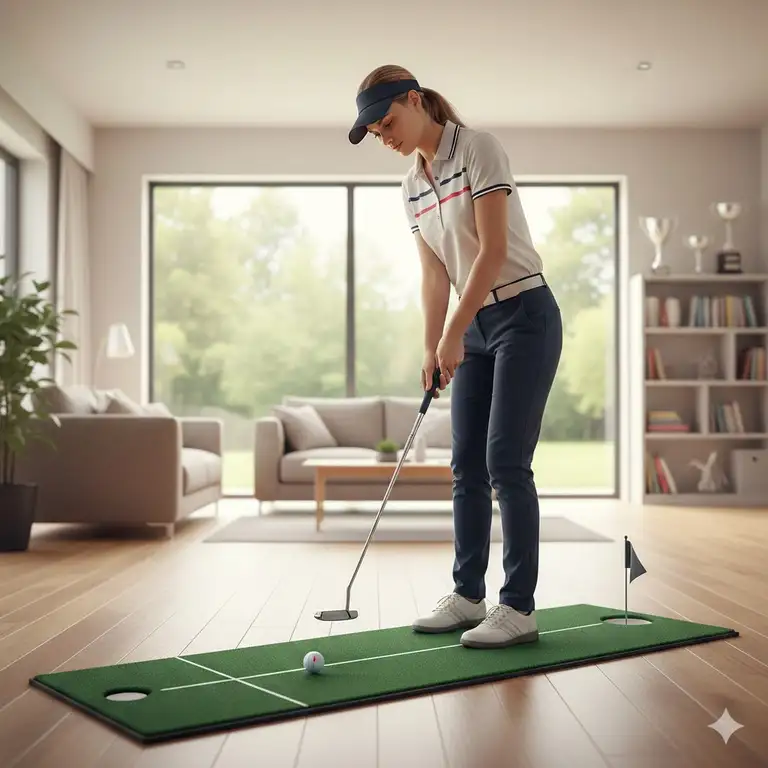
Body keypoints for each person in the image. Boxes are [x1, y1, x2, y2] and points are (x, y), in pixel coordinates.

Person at [348, 65, 563, 649]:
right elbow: (434, 272)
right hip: (473, 324)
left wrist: (453, 334)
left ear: (416, 101)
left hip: (525, 314)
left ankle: (518, 607)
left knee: (505, 462)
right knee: (465, 461)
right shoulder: (410, 185)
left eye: (388, 122)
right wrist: (431, 342)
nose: (384, 136)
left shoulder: (478, 149)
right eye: (374, 132)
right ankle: (469, 597)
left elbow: (492, 253)